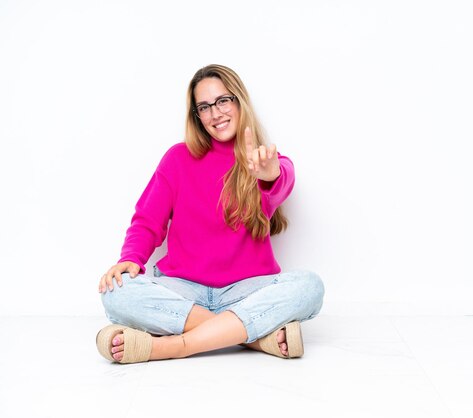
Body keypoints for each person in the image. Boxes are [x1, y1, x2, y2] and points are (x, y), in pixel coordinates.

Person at [95, 64, 324, 363]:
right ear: (197, 116)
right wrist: (129, 259)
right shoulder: (177, 158)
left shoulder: (264, 161)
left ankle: (175, 346)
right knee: (116, 293)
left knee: (310, 287)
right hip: (182, 289)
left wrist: (270, 174)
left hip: (247, 289)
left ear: (239, 101)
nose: (215, 114)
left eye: (223, 101)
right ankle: (252, 338)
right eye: (204, 107)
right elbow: (147, 221)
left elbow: (282, 181)